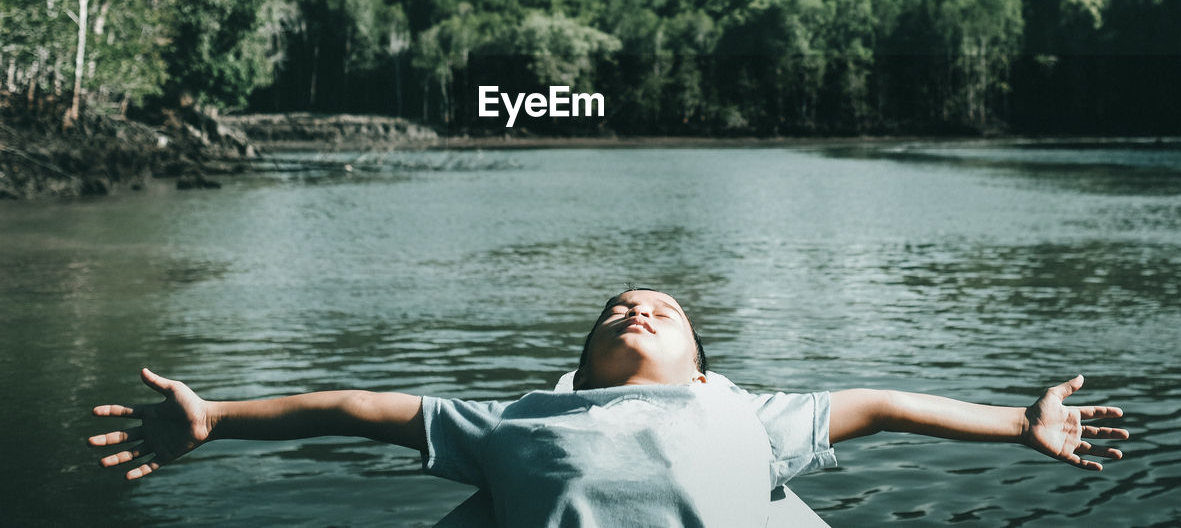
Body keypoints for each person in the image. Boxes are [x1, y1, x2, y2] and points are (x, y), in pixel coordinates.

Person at [89, 288, 1127, 526]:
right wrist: (220, 416)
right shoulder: (519, 420)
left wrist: (1013, 421)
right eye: (615, 311)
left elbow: (882, 405)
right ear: (578, 369)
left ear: (700, 364)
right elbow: (366, 408)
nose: (634, 308)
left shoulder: (742, 412)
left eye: (660, 309)